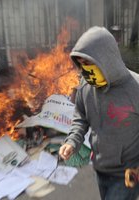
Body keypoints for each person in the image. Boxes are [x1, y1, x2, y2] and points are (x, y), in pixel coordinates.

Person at [59, 26, 139, 200]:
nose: (84, 69)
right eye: (80, 64)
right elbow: (80, 119)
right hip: (100, 169)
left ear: (106, 58)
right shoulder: (85, 88)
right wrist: (72, 142)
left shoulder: (135, 88)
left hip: (127, 172)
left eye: (88, 62)